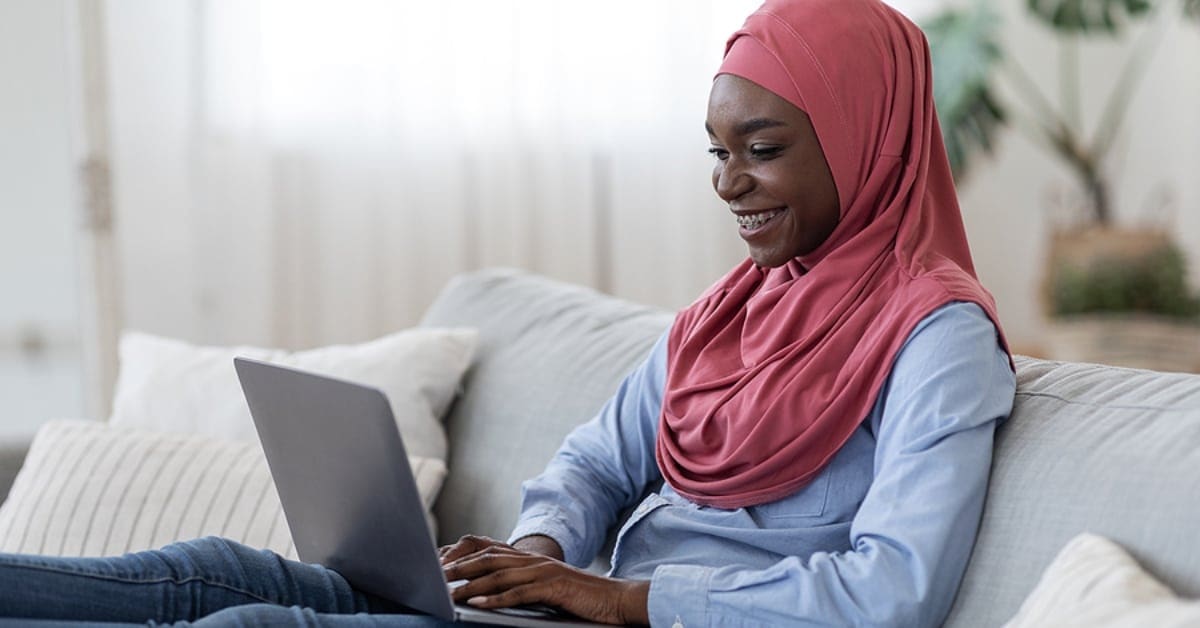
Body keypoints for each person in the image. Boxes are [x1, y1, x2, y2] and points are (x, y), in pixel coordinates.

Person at [0, 0, 1015, 626]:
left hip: (654, 625)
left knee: (249, 622)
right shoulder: (727, 314)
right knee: (206, 573)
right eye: (718, 150)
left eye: (764, 147)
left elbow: (893, 591)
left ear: (865, 138)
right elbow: (596, 464)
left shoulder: (939, 339)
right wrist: (539, 554)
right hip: (581, 615)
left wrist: (624, 599)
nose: (730, 183)